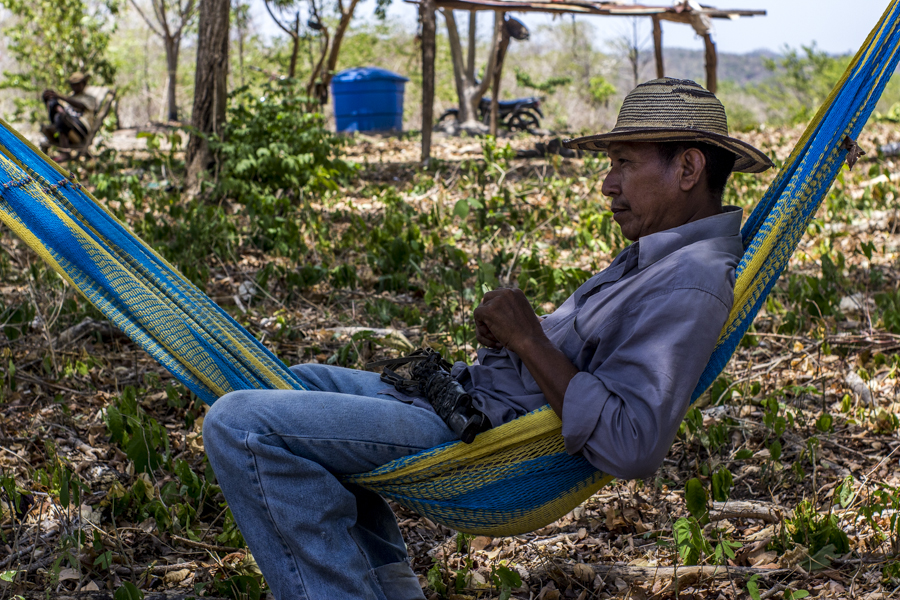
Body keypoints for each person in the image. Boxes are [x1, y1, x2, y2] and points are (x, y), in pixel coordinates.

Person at [202, 78, 774, 600]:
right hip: (468, 404)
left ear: (689, 168)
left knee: (240, 424)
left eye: (624, 163)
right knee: (292, 386)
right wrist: (509, 343)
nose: (608, 184)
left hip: (488, 442)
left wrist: (529, 340)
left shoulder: (691, 280)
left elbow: (633, 443)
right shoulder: (664, 255)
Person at [40, 72, 98, 152]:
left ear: (83, 84)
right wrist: (49, 99)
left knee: (60, 117)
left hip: (81, 128)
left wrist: (60, 96)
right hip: (66, 123)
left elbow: (81, 106)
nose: (75, 87)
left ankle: (65, 152)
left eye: (78, 84)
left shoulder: (89, 98)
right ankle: (60, 113)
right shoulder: (70, 97)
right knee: (53, 103)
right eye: (73, 84)